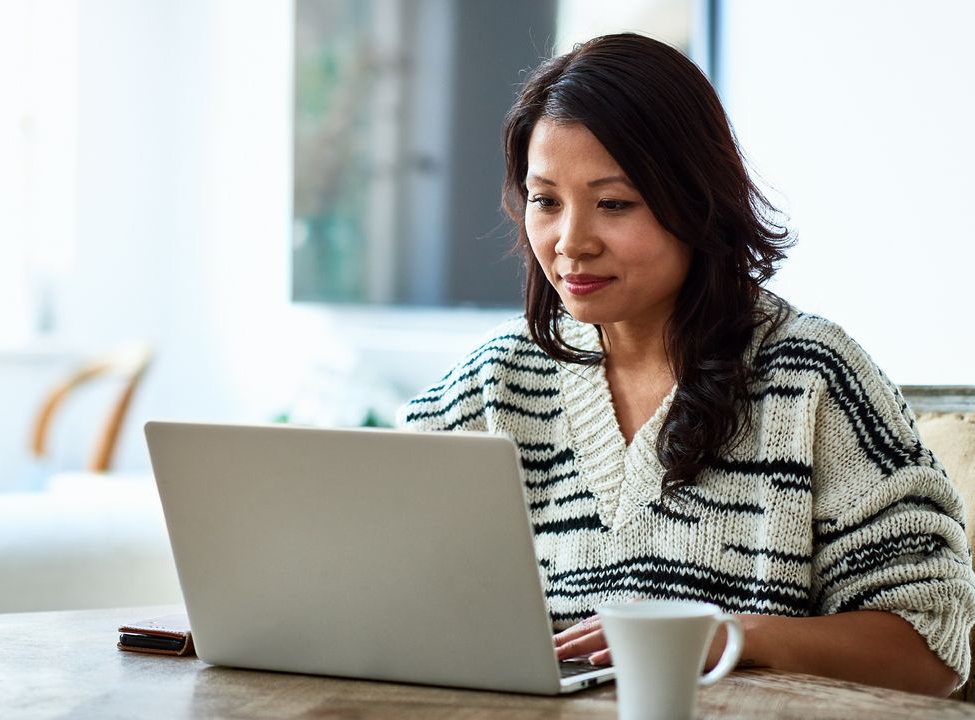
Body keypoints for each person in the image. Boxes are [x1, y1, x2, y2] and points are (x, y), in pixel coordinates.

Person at [397, 33, 974, 697]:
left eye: (614, 203)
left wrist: (726, 636)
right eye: (545, 199)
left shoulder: (813, 378)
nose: (571, 241)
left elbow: (932, 647)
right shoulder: (491, 385)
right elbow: (380, 588)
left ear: (696, 201)